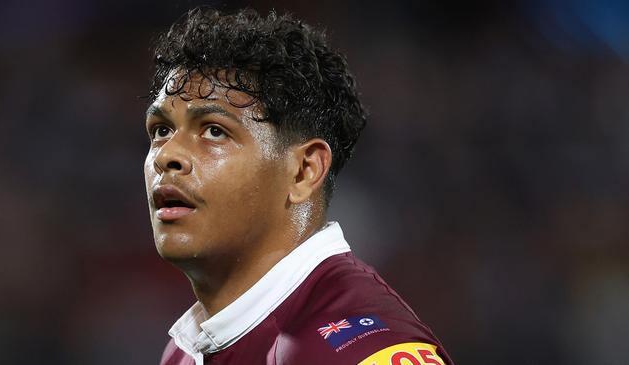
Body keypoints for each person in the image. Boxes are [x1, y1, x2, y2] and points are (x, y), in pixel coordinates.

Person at [143, 7, 453, 365]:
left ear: (304, 171)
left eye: (215, 131)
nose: (168, 155)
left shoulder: (362, 349)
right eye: (161, 130)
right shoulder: (184, 351)